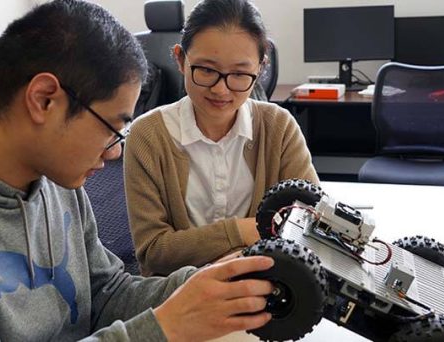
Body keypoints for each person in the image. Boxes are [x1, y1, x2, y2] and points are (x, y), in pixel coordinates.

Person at [0, 1, 276, 340]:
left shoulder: (58, 179)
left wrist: (205, 284)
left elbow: (107, 292)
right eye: (112, 128)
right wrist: (165, 328)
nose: (116, 150)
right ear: (44, 99)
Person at [124, 0, 318, 276]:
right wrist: (243, 230)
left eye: (239, 74)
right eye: (206, 70)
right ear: (180, 59)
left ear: (260, 69)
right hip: (178, 294)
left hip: (268, 288)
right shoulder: (147, 137)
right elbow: (154, 253)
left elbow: (307, 226)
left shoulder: (279, 127)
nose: (220, 89)